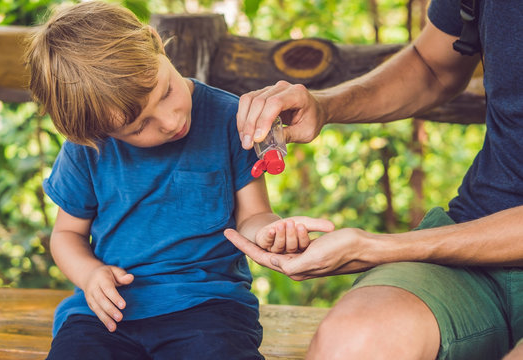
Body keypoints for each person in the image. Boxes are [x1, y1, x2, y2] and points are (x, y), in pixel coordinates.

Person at [24, 2, 333, 359]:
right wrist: (90, 274)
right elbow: (67, 235)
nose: (170, 121)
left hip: (208, 309)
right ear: (100, 132)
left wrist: (269, 233)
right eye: (139, 126)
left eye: (166, 90)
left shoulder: (228, 119)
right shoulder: (88, 149)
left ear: (156, 43)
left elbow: (253, 216)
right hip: (108, 315)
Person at [224, 0, 523, 359]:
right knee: (352, 342)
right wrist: (324, 105)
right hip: (476, 242)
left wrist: (374, 247)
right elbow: (432, 67)